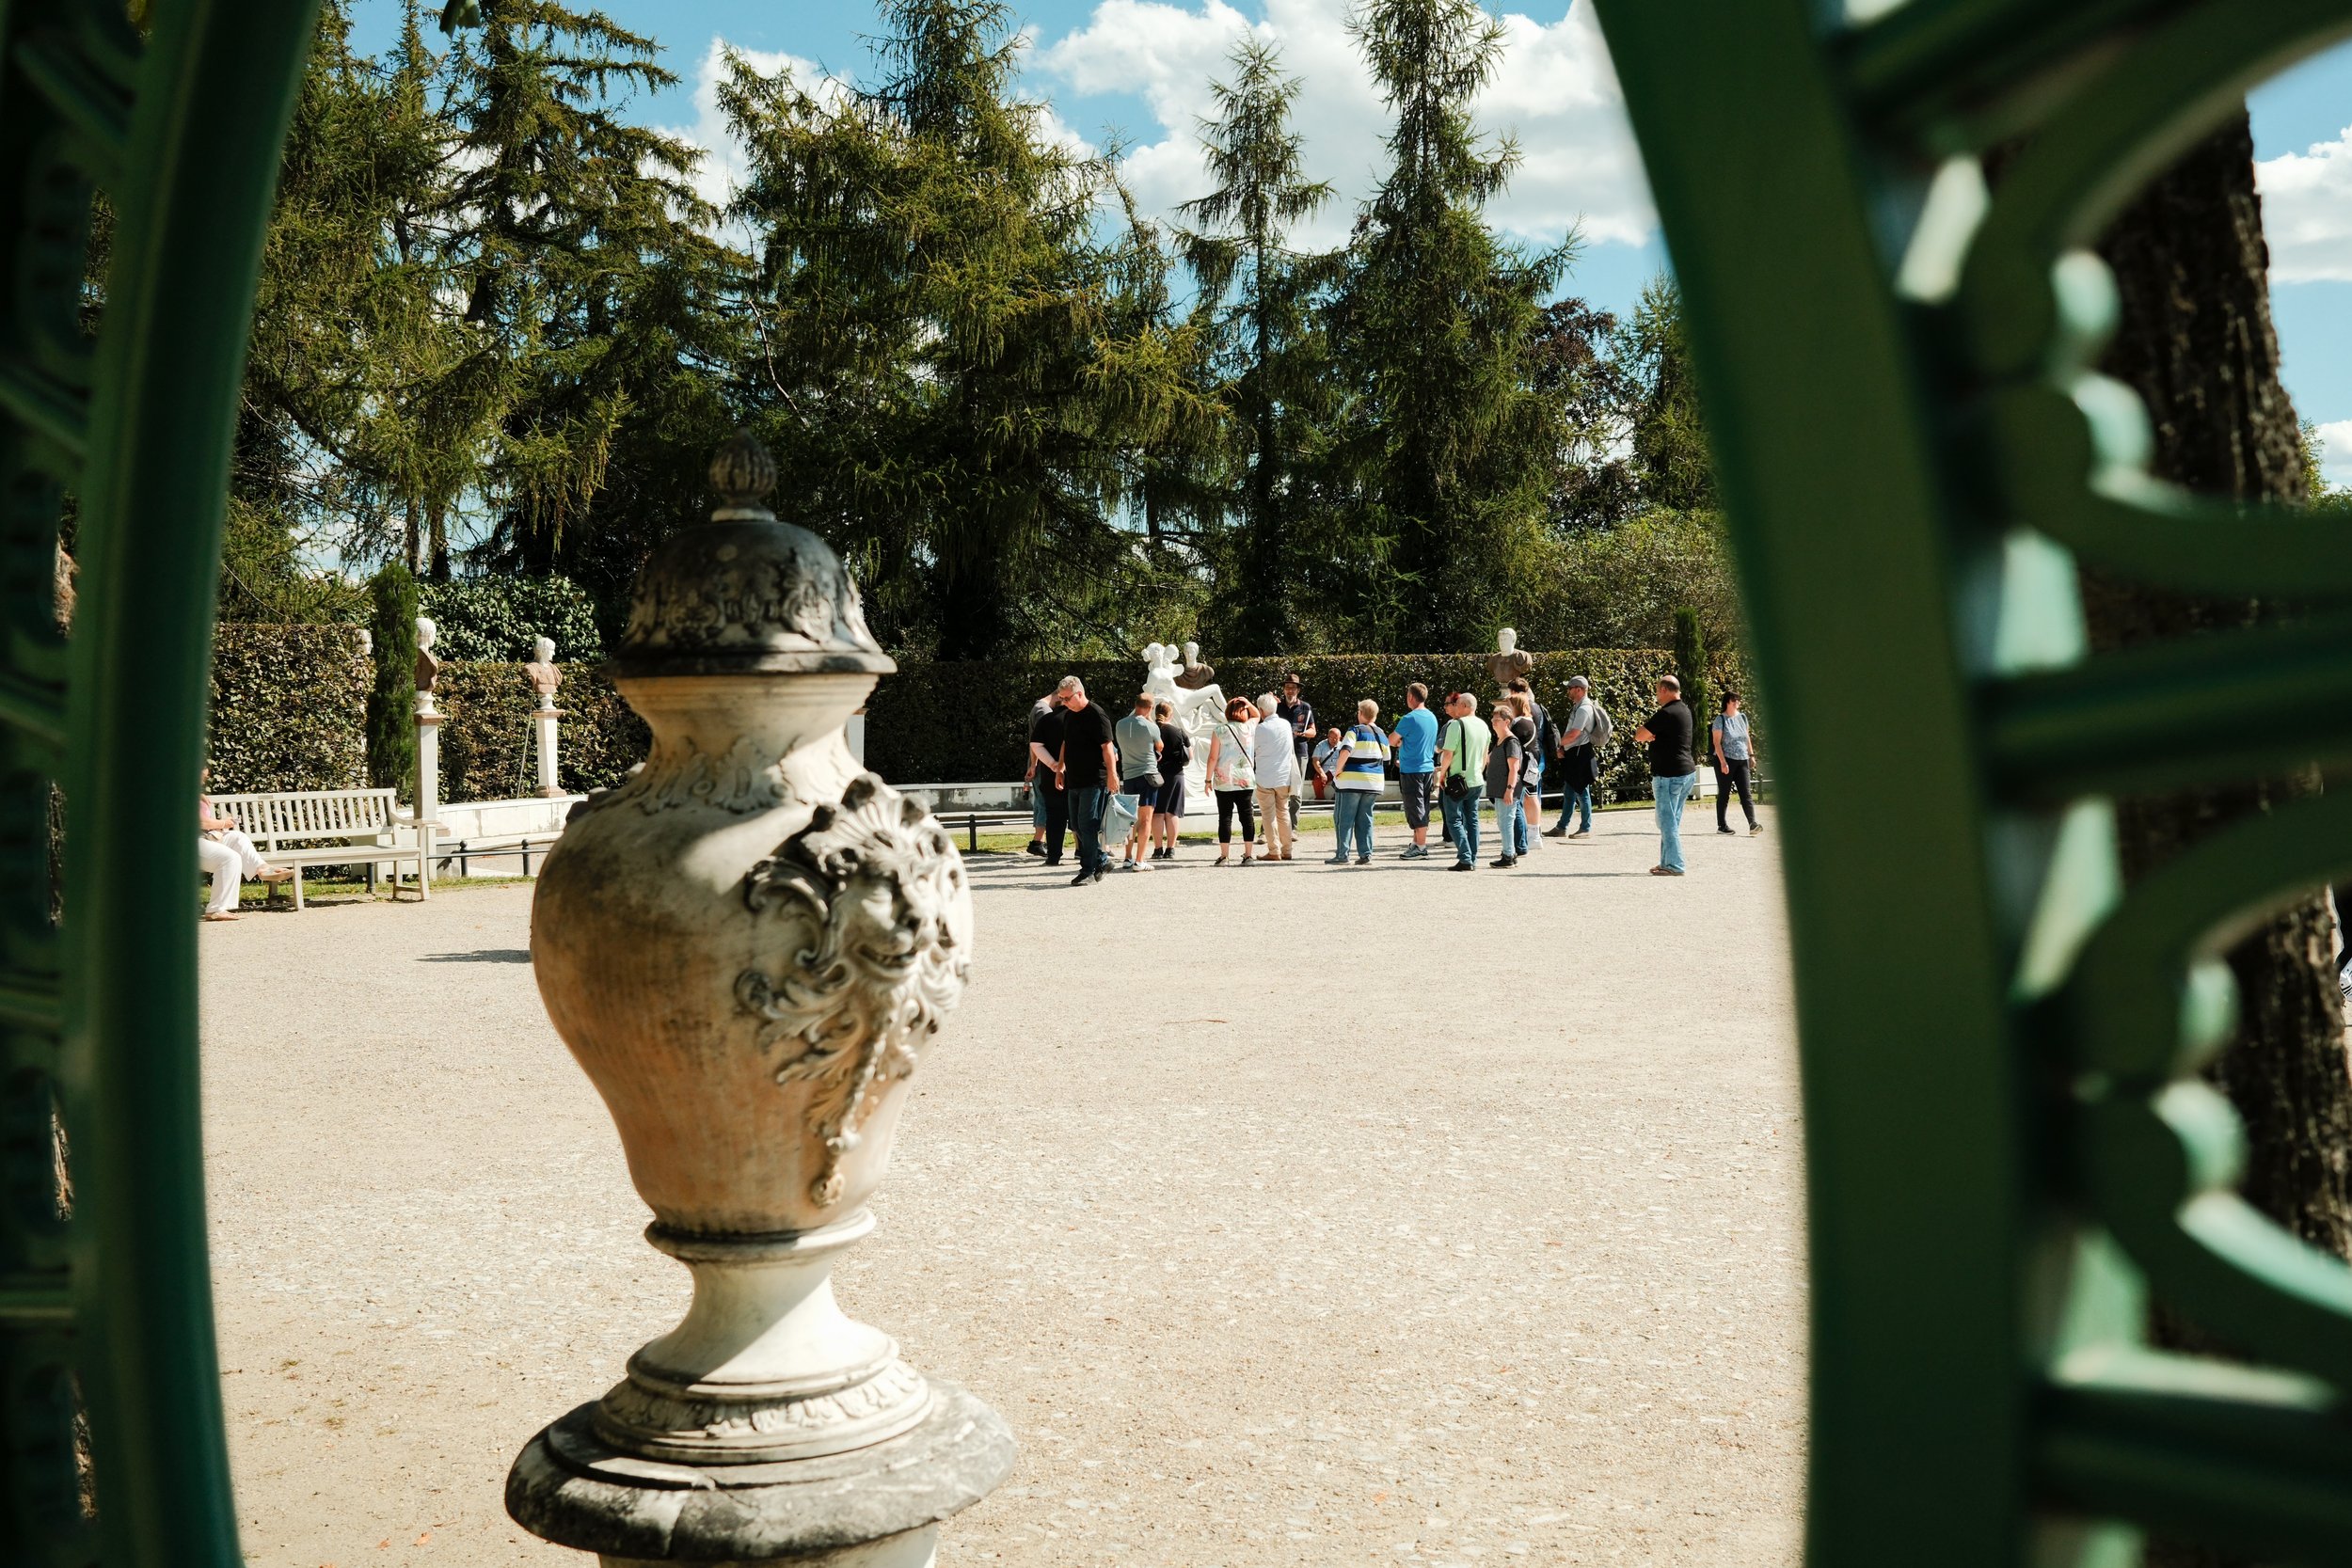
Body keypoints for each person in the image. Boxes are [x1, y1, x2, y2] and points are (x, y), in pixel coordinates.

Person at [199, 772, 294, 921]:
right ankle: (216, 909)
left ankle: (262, 868)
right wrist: (224, 823)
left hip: (205, 839)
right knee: (230, 858)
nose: (206, 775)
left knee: (238, 837)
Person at [1634, 675, 1697, 877]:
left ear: (1663, 689)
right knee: (1672, 821)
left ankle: (1675, 865)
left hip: (1669, 775)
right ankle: (1666, 862)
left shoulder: (1667, 713)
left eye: (1656, 690)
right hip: (1685, 772)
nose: (1656, 695)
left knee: (1666, 821)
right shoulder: (1685, 710)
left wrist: (1651, 736)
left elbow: (1639, 735)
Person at [1057, 679, 1117, 886]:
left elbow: (1107, 747)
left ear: (1079, 694)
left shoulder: (1097, 715)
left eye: (1067, 698)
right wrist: (1060, 768)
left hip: (1094, 780)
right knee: (1076, 825)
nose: (1063, 702)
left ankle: (1088, 870)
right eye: (1061, 698)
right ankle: (1102, 860)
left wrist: (1113, 775)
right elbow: (1066, 743)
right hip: (1074, 779)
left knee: (1087, 825)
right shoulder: (1069, 715)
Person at [1433, 693, 1489, 872]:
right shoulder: (1484, 725)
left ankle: (1465, 857)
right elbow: (1484, 755)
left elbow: (1448, 753)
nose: (1455, 707)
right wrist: (1478, 772)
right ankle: (1472, 857)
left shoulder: (1457, 725)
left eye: (1457, 704)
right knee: (1472, 820)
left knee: (1454, 820)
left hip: (1457, 779)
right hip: (1476, 779)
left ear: (1465, 706)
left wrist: (1442, 775)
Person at [1326, 701, 1387, 865]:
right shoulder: (1381, 733)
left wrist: (1338, 771)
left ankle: (1342, 854)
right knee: (1365, 818)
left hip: (1352, 781)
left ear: (1360, 713)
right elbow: (1386, 756)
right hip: (1374, 782)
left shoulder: (1355, 730)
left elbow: (1346, 749)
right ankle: (1365, 853)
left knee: (1344, 818)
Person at [1204, 695, 1261, 865]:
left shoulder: (1219, 730)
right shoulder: (1249, 727)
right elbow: (1257, 715)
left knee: (1225, 817)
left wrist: (1208, 780)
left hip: (1224, 779)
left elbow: (1213, 757)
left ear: (1227, 712)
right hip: (1245, 778)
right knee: (1247, 816)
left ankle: (1224, 856)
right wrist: (1248, 703)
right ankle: (1248, 854)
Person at [1389, 682, 1440, 860]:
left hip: (1412, 769)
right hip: (1427, 767)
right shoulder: (1432, 717)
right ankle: (1416, 843)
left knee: (1415, 807)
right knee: (1423, 806)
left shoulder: (1409, 718)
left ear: (1411, 697)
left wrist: (1400, 742)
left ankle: (1421, 846)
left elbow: (1391, 739)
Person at [1113, 692, 1164, 871]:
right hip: (1148, 774)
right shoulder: (1150, 726)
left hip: (1129, 774)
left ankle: (1127, 857)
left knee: (1130, 819)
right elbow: (1160, 746)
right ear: (1150, 708)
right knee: (1146, 819)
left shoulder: (1120, 724)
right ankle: (1140, 860)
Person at [1546, 674, 1600, 840]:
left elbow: (1575, 733)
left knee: (1581, 791)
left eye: (1570, 688)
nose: (1568, 691)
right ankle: (1562, 827)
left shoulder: (1584, 708)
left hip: (1579, 753)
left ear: (1579, 689)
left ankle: (1585, 828)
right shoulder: (1579, 706)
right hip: (1575, 752)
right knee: (1569, 791)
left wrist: (1558, 745)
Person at [1027, 683, 1071, 863]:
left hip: (1048, 773)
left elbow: (1035, 744)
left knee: (1053, 815)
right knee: (1076, 815)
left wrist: (1049, 765)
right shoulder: (1072, 719)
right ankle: (1084, 851)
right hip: (1071, 774)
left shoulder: (1046, 719)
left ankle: (1053, 855)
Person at [1252, 691, 1298, 861]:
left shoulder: (1260, 729)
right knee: (1283, 813)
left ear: (1261, 711)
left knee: (1268, 815)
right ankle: (1287, 850)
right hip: (1283, 777)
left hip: (1265, 777)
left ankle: (1274, 850)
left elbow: (1253, 750)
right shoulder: (1285, 724)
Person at [1711, 690, 1761, 836]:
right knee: (1724, 794)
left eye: (1738, 700)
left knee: (1746, 793)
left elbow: (1747, 738)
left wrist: (1751, 755)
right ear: (1728, 702)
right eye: (1735, 700)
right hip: (1726, 760)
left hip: (1742, 760)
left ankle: (1753, 824)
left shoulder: (1743, 717)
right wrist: (1723, 762)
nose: (1738, 702)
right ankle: (1722, 825)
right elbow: (1716, 743)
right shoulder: (1720, 719)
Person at [1504, 687, 1546, 858]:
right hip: (1532, 762)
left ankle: (1531, 834)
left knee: (1524, 798)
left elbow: (1513, 743)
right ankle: (1533, 832)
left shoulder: (1520, 723)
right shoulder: (1528, 720)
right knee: (1532, 795)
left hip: (1525, 763)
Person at [1485, 701, 1525, 869]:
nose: (1493, 722)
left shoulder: (1511, 742)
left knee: (1507, 822)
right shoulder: (1500, 741)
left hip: (1507, 790)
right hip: (1499, 789)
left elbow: (1514, 768)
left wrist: (1509, 790)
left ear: (1507, 721)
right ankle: (1508, 853)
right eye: (1492, 719)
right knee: (1503, 822)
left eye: (1497, 719)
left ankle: (1508, 855)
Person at [1152, 699, 1191, 860]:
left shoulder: (1152, 731)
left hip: (1157, 774)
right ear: (1171, 715)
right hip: (1176, 774)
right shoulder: (1179, 732)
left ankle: (1158, 849)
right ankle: (1171, 849)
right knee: (1172, 813)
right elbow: (1190, 755)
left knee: (1158, 813)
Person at [1277, 674, 1314, 832]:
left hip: (1299, 751)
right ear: (1284, 689)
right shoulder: (1276, 706)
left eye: (1293, 688)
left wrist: (1304, 733)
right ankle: (1268, 829)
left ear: (1298, 690)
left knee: (1296, 791)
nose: (1290, 690)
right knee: (1275, 788)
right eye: (1287, 687)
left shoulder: (1305, 707)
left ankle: (1292, 828)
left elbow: (1313, 731)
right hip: (1279, 752)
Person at [1310, 726, 1342, 802]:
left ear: (1340, 738)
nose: (1334, 740)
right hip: (1324, 769)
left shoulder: (1343, 746)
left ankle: (1336, 798)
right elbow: (1315, 761)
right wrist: (1322, 773)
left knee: (1344, 780)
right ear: (1328, 737)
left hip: (1338, 769)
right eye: (1332, 738)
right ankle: (1320, 800)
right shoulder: (1321, 745)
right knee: (1317, 780)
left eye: (1336, 738)